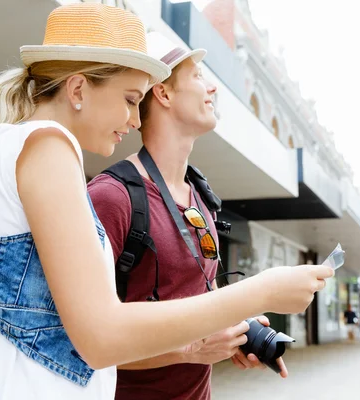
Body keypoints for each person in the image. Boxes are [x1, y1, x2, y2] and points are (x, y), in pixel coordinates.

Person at [0, 4, 334, 400]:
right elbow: (102, 335)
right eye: (128, 99)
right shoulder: (48, 147)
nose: (136, 120)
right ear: (78, 89)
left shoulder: (16, 147)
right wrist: (260, 291)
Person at [87, 32, 282, 400]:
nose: (212, 88)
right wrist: (192, 347)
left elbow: (193, 303)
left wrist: (234, 330)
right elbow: (78, 340)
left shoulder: (201, 198)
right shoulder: (111, 198)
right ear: (163, 93)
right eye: (197, 76)